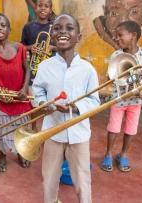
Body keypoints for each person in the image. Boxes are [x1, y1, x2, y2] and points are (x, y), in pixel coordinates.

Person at [32, 14, 100, 203]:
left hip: (79, 135)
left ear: (78, 36)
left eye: (69, 28)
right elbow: (37, 91)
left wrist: (77, 107)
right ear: (52, 35)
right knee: (49, 178)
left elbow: (95, 101)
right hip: (52, 133)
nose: (63, 31)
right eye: (57, 28)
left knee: (82, 179)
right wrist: (42, 104)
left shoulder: (88, 69)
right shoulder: (45, 66)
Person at [100, 21, 142, 172]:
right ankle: (108, 154)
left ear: (133, 36)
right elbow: (111, 76)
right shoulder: (116, 54)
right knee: (113, 128)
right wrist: (109, 76)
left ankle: (123, 154)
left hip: (136, 100)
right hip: (118, 98)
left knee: (131, 130)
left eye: (120, 35)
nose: (117, 38)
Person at [0, 13, 33, 173]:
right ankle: (3, 155)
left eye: (3, 25)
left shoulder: (20, 48)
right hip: (2, 99)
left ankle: (21, 153)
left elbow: (27, 70)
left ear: (9, 29)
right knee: (3, 131)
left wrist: (24, 88)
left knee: (22, 128)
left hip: (21, 97)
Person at [21, 0, 56, 86]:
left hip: (52, 69)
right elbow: (21, 47)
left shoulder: (56, 26)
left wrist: (52, 47)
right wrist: (30, 47)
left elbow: (63, 47)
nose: (43, 8)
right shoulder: (28, 27)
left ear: (50, 10)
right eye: (40, 5)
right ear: (35, 8)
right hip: (34, 70)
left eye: (46, 6)